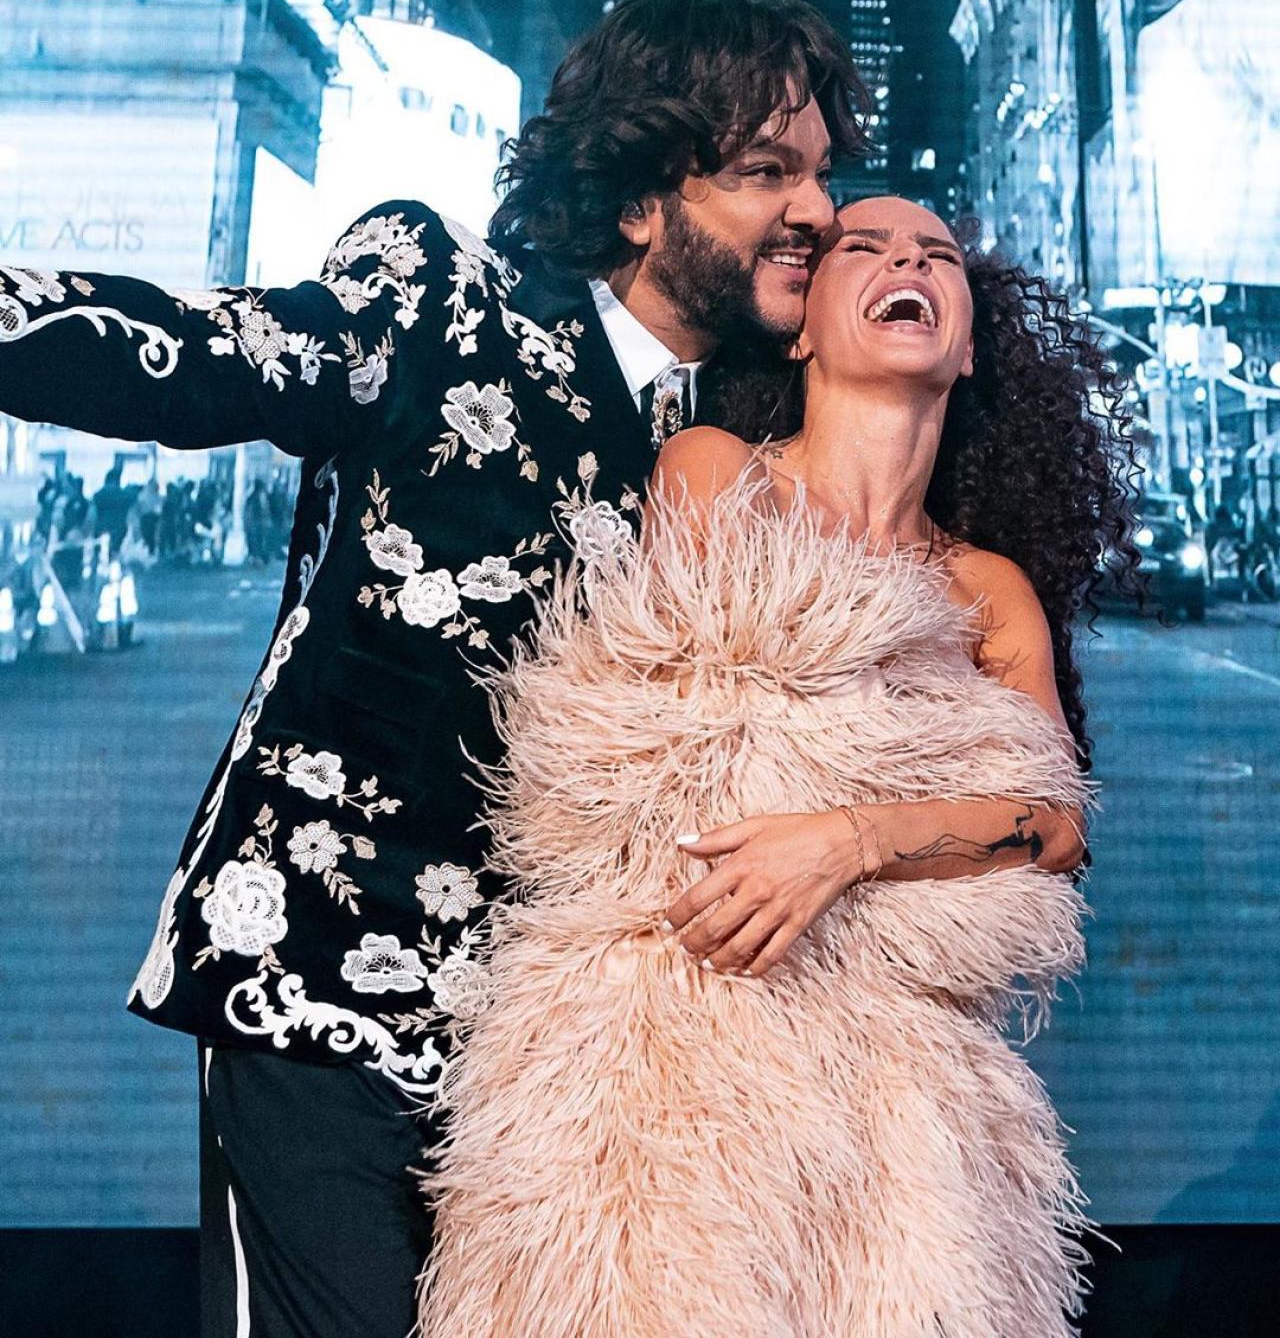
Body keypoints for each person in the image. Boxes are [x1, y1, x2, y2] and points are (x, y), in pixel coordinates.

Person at [0, 0, 869, 1338]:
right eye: (769, 171)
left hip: (577, 1066)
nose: (815, 206)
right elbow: (200, 356)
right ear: (643, 197)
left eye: (820, 171)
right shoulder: (444, 295)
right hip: (321, 983)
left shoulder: (768, 435)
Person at [414, 197, 1142, 1337]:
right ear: (800, 329)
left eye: (937, 255)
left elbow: (1052, 826)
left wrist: (852, 841)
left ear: (964, 347)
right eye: (867, 247)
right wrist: (933, 799)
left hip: (901, 1107)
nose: (907, 260)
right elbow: (713, 756)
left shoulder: (990, 589)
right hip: (674, 1055)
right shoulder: (717, 473)